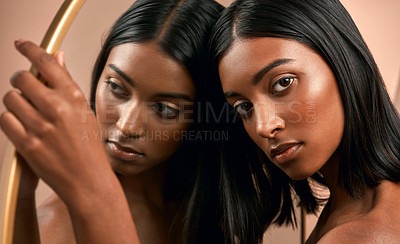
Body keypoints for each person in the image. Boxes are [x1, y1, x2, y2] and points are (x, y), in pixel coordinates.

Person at [1, 0, 225, 243]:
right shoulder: (57, 226)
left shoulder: (210, 213)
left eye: (164, 108)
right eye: (117, 88)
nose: (126, 126)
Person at [210, 0, 400, 243]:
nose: (263, 127)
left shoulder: (361, 234)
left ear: (343, 60)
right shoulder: (350, 207)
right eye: (244, 107)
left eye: (283, 83)